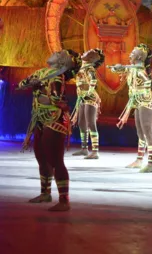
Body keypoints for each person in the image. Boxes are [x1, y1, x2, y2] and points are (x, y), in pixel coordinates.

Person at [19, 49, 81, 211]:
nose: (54, 53)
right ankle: (45, 193)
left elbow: (55, 100)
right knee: (41, 157)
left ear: (62, 63)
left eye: (59, 54)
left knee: (55, 160)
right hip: (39, 119)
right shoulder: (41, 72)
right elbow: (21, 85)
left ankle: (64, 200)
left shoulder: (57, 75)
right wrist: (31, 84)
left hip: (54, 119)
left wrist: (39, 89)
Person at [108, 44, 152, 173]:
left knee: (147, 131)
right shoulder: (132, 69)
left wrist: (139, 87)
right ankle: (139, 159)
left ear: (140, 56)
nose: (130, 53)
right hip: (136, 101)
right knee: (140, 131)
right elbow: (118, 70)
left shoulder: (140, 71)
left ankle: (151, 163)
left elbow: (148, 84)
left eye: (133, 52)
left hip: (146, 101)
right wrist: (116, 68)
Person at [71, 48, 105, 159]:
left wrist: (89, 92)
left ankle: (95, 151)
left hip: (89, 98)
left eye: (85, 53)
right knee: (81, 123)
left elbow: (93, 81)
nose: (82, 53)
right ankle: (84, 148)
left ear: (90, 58)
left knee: (91, 123)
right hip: (82, 97)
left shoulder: (89, 68)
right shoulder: (82, 67)